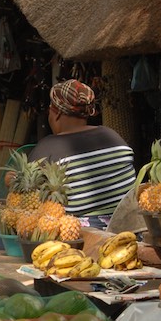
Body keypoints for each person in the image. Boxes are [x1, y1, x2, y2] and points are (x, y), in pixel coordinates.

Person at [27, 79, 138, 230]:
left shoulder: (47, 148)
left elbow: (27, 194)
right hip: (128, 227)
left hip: (78, 235)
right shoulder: (113, 136)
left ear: (56, 112)